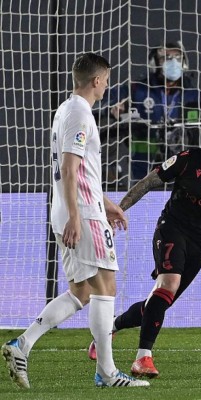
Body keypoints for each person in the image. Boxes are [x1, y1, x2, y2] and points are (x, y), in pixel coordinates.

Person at [1, 53, 149, 388]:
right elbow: (69, 169)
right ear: (97, 80)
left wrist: (107, 203)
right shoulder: (82, 113)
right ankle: (108, 373)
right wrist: (77, 217)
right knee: (106, 285)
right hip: (81, 214)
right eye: (107, 80)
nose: (107, 85)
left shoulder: (65, 109)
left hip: (77, 208)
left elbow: (81, 171)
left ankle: (22, 344)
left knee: (81, 292)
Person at [87, 115, 201, 378]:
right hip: (172, 228)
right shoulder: (187, 159)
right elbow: (149, 182)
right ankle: (143, 358)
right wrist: (117, 209)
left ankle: (109, 329)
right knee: (168, 284)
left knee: (160, 302)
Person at [104, 41, 201, 180]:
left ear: (184, 63)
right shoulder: (138, 88)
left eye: (178, 57)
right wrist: (113, 106)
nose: (173, 62)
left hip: (181, 162)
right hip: (143, 163)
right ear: (154, 62)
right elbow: (105, 97)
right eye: (166, 57)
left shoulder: (193, 94)